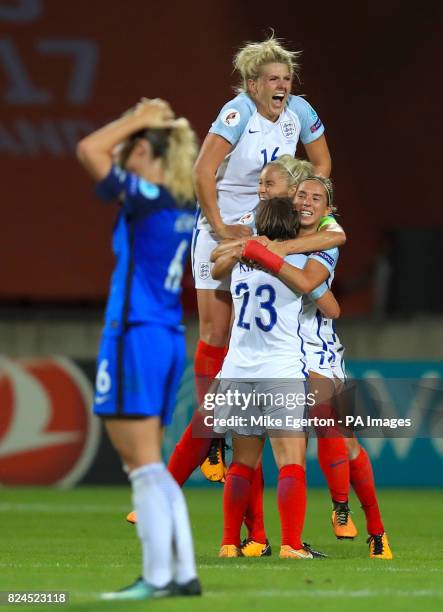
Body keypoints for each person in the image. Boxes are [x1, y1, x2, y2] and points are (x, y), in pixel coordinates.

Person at [167, 34, 334, 486]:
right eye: (272, 79)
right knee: (215, 331)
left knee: (255, 328)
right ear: (252, 85)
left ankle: (247, 435)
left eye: (286, 78)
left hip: (266, 218)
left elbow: (321, 162)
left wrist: (298, 204)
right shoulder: (237, 114)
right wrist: (221, 228)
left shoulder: (299, 110)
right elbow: (203, 170)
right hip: (221, 221)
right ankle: (213, 438)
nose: (282, 86)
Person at [76, 98, 202, 599]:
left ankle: (156, 578)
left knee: (143, 463)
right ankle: (183, 572)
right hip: (166, 335)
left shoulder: (149, 197)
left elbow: (89, 149)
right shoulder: (184, 203)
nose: (124, 157)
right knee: (151, 461)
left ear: (148, 154)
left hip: (134, 333)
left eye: (132, 150)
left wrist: (139, 120)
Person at [244, 176, 393, 560]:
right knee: (270, 445)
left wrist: (273, 255)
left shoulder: (326, 235)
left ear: (327, 210)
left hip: (317, 348)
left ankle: (370, 526)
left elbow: (328, 302)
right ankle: (264, 537)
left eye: (316, 197)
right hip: (276, 348)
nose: (307, 201)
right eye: (301, 194)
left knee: (341, 435)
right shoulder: (273, 224)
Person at [212, 196, 339, 559]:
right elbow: (331, 308)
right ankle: (291, 545)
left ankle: (227, 544)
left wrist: (243, 248)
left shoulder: (240, 263)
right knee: (291, 461)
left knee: (242, 463)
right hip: (280, 372)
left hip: (237, 372)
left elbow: (215, 263)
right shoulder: (298, 262)